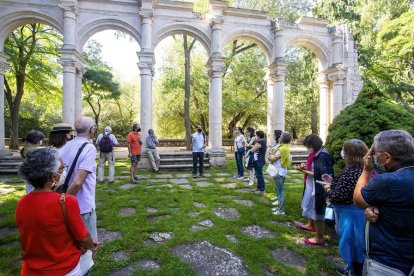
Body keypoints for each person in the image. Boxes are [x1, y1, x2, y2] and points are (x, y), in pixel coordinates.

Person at [16, 147, 99, 275]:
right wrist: (91, 246)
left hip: (31, 270)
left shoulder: (22, 203)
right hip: (64, 269)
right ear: (54, 176)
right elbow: (83, 237)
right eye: (62, 168)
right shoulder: (66, 201)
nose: (64, 171)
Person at [353, 130, 414, 275]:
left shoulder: (387, 182)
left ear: (386, 157)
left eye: (375, 153)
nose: (372, 156)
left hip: (388, 263)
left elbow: (358, 198)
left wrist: (367, 169)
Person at [60, 116, 98, 274]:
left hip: (65, 204)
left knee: (68, 246)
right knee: (86, 251)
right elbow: (77, 182)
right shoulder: (89, 148)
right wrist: (63, 203)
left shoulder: (65, 146)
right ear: (92, 130)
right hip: (81, 206)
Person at [323, 139, 368, 275]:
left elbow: (339, 195)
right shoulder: (362, 170)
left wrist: (328, 189)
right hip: (356, 213)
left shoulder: (352, 172)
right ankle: (352, 268)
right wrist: (333, 182)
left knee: (352, 244)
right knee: (356, 244)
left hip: (351, 214)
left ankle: (354, 271)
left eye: (344, 150)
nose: (342, 152)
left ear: (350, 153)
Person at [295, 134, 334, 246]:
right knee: (311, 206)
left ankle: (319, 237)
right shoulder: (317, 154)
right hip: (312, 185)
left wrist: (304, 171)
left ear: (313, 144)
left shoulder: (323, 156)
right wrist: (305, 168)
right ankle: (310, 225)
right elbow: (315, 168)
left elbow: (323, 175)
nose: (307, 148)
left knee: (318, 210)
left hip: (319, 187)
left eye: (308, 146)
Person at [268, 132, 292, 215]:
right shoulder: (285, 147)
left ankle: (281, 210)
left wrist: (270, 154)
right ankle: (279, 208)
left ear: (282, 138)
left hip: (279, 172)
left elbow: (272, 159)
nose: (279, 137)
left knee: (280, 191)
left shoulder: (281, 149)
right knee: (279, 190)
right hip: (282, 171)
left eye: (281, 136)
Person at [250, 130, 267, 194]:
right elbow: (257, 148)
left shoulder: (259, 142)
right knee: (258, 175)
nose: (255, 136)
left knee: (259, 175)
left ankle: (261, 189)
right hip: (261, 160)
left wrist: (253, 145)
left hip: (258, 161)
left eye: (256, 135)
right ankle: (258, 187)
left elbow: (252, 150)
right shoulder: (263, 141)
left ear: (258, 136)